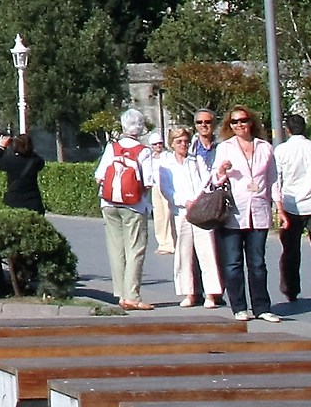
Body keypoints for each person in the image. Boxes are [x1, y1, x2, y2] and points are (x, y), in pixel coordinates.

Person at [212, 106, 280, 321]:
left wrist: (279, 206)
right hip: (234, 211)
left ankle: (262, 307)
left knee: (258, 263)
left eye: (243, 120)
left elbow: (273, 180)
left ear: (251, 122)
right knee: (233, 263)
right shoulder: (225, 148)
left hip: (258, 209)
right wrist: (222, 171)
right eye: (234, 122)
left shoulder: (265, 147)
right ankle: (239, 307)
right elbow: (214, 179)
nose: (239, 125)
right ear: (229, 126)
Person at [159, 123, 224, 309]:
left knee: (207, 252)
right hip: (181, 212)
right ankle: (189, 293)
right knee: (184, 253)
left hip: (201, 211)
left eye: (186, 141)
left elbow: (208, 180)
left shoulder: (196, 161)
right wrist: (183, 201)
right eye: (179, 141)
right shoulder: (165, 164)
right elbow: (166, 189)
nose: (183, 145)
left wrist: (199, 199)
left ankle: (211, 294)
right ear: (172, 143)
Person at [95, 109, 154, 310]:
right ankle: (132, 296)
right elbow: (147, 182)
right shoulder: (144, 151)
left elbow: (99, 176)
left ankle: (120, 293)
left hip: (109, 204)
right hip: (134, 205)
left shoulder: (112, 147)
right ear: (140, 127)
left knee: (115, 249)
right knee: (135, 249)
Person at [273, 113, 311, 307]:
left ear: (287, 130)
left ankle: (290, 289)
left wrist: (278, 205)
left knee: (290, 250)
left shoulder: (282, 150)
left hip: (291, 205)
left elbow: (277, 179)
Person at [0, 133, 45, 213]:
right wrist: (28, 149)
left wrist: (1, 146)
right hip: (34, 202)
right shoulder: (36, 161)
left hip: (14, 201)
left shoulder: (10, 161)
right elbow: (40, 161)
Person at [141, 126, 175, 255]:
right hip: (155, 188)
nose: (158, 146)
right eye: (155, 144)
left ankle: (170, 243)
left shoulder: (168, 156)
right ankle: (162, 243)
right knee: (159, 217)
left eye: (160, 144)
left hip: (167, 187)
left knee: (168, 215)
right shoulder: (149, 158)